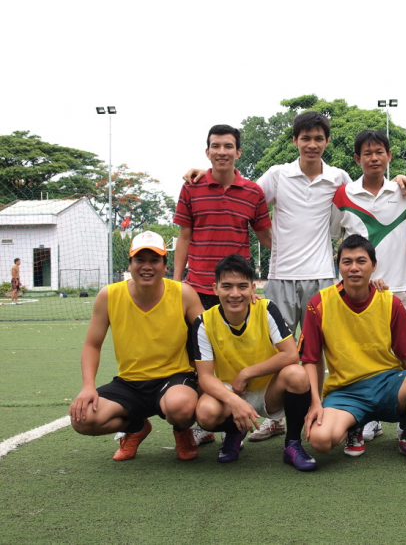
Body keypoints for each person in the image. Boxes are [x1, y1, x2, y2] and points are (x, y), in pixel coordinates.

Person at [184, 112, 406, 443]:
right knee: (274, 350)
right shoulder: (278, 175)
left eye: (319, 138)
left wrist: (401, 177)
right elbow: (241, 189)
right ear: (295, 141)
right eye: (305, 138)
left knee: (324, 351)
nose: (312, 144)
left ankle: (334, 413)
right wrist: (206, 173)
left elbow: (367, 188)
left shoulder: (337, 178)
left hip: (322, 277)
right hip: (281, 276)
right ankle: (274, 418)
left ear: (327, 142)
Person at [300, 235, 406, 464]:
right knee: (320, 441)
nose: (354, 268)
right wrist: (315, 403)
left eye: (361, 261)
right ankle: (355, 426)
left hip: (388, 384)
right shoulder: (320, 303)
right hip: (346, 391)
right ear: (339, 267)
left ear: (374, 266)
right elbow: (310, 359)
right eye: (347, 262)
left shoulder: (390, 302)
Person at [69, 231, 205, 461]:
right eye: (140, 260)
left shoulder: (183, 293)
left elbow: (210, 334)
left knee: (181, 406)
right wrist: (87, 386)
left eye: (154, 260)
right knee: (82, 420)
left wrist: (246, 303)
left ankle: (182, 430)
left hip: (173, 379)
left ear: (165, 265)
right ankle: (136, 427)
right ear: (130, 264)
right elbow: (92, 345)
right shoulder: (109, 295)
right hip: (129, 383)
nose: (147, 266)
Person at [330, 129, 406, 447]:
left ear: (388, 156)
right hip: (356, 292)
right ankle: (365, 419)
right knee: (362, 355)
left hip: (396, 288)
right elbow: (333, 232)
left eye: (379, 152)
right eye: (367, 153)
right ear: (357, 158)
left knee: (400, 356)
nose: (374, 158)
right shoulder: (344, 195)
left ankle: (405, 421)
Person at [192, 254, 316, 470]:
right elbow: (204, 377)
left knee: (297, 374)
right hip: (233, 391)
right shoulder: (204, 322)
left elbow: (290, 355)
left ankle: (292, 444)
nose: (234, 294)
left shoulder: (266, 308)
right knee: (205, 413)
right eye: (227, 286)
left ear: (253, 287)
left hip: (269, 390)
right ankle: (233, 434)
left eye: (242, 286)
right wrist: (234, 401)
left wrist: (246, 373)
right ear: (215, 288)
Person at [173, 124, 272, 309]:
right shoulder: (191, 187)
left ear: (238, 152)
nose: (221, 152)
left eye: (228, 146)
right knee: (196, 338)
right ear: (207, 152)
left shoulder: (254, 192)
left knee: (237, 339)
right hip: (197, 289)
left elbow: (266, 237)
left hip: (236, 290)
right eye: (216, 146)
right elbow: (184, 237)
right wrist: (176, 284)